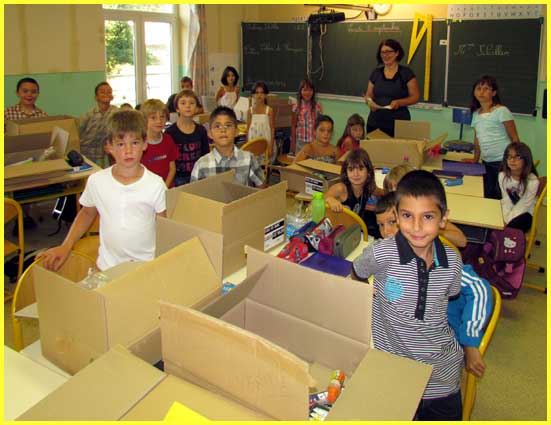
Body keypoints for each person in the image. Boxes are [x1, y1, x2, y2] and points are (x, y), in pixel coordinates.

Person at [353, 170, 464, 420]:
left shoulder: (453, 262)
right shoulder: (381, 253)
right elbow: (358, 273)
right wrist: (372, 297)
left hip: (442, 377)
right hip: (395, 372)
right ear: (396, 215)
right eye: (406, 216)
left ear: (444, 218)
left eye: (428, 217)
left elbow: (451, 301)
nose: (416, 227)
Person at [374, 190, 491, 380]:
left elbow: (480, 289)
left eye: (393, 222)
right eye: (381, 225)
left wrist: (470, 342)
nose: (387, 232)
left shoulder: (436, 259)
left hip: (436, 340)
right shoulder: (389, 255)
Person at [40, 110, 167, 272]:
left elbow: (164, 226)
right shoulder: (97, 181)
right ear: (109, 146)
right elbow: (87, 213)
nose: (128, 150)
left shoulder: (155, 184)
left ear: (144, 144)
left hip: (146, 266)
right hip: (107, 266)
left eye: (134, 142)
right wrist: (66, 245)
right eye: (120, 144)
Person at [467, 75, 520, 199]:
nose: (481, 92)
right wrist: (475, 159)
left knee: (502, 195)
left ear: (494, 92)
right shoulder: (476, 113)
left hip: (503, 161)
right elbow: (477, 138)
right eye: (478, 88)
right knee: (488, 194)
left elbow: (515, 138)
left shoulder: (501, 111)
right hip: (487, 161)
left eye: (486, 89)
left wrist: (515, 161)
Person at [191, 106, 264, 187]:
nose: (223, 130)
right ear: (210, 134)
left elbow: (262, 187)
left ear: (236, 132)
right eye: (217, 126)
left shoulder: (248, 159)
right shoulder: (201, 165)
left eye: (228, 125)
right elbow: (193, 193)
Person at [365, 39, 420, 137]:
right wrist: (369, 103)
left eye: (389, 52)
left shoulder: (406, 73)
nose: (385, 55)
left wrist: (399, 102)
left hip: (399, 125)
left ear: (397, 53)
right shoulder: (376, 73)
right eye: (382, 52)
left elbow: (415, 97)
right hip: (375, 123)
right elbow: (368, 95)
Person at [324, 148, 382, 238]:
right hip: (337, 234)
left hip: (354, 233)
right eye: (351, 169)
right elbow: (317, 200)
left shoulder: (370, 188)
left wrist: (378, 206)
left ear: (369, 172)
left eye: (360, 169)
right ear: (346, 172)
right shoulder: (341, 188)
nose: (356, 174)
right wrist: (330, 200)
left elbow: (384, 193)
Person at [165, 90, 210, 186]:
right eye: (183, 103)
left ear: (197, 108)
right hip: (177, 178)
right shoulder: (170, 132)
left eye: (192, 103)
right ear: (177, 108)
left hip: (198, 176)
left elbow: (205, 155)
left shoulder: (201, 130)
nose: (188, 106)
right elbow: (168, 161)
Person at [498, 142, 539, 233]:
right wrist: (504, 218)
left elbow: (523, 206)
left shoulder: (532, 181)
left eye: (517, 157)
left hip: (524, 213)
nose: (512, 160)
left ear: (526, 160)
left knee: (511, 227)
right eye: (509, 157)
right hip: (508, 210)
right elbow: (506, 200)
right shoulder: (502, 176)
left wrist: (507, 222)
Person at [79, 81, 119, 167]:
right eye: (103, 92)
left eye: (109, 92)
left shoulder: (116, 112)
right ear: (96, 97)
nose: (106, 94)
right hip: (86, 152)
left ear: (112, 97)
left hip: (104, 153)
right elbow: (78, 132)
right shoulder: (88, 115)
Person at [140, 99, 179, 188]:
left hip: (167, 187)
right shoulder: (139, 143)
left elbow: (172, 168)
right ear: (144, 120)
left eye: (162, 117)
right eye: (153, 118)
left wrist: (165, 187)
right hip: (147, 188)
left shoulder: (168, 140)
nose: (159, 121)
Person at [291, 78, 322, 155]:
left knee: (312, 161)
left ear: (313, 92)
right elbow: (293, 125)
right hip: (300, 142)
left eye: (310, 90)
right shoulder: (296, 107)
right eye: (305, 90)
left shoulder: (317, 107)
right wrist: (293, 143)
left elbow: (320, 125)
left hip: (314, 142)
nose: (307, 93)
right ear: (300, 91)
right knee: (300, 161)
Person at [246, 81, 275, 159]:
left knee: (264, 164)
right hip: (253, 143)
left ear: (265, 95)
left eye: (262, 93)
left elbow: (272, 129)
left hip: (265, 143)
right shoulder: (250, 111)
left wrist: (271, 147)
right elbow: (248, 129)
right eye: (257, 93)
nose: (259, 95)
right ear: (253, 95)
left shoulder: (269, 110)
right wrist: (247, 146)